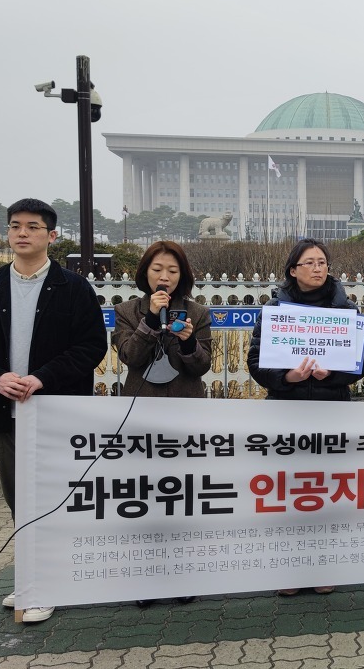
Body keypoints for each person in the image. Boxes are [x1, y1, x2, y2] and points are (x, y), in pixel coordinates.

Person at [0, 198, 107, 623]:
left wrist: (42, 378)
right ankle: (32, 578)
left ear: (51, 236)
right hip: (4, 413)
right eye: (15, 225)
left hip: (57, 412)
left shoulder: (73, 289)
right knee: (19, 499)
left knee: (56, 498)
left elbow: (91, 346)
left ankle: (50, 581)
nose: (23, 233)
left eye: (33, 226)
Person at [247, 238, 364, 596]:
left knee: (328, 491)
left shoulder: (346, 309)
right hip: (286, 412)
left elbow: (363, 360)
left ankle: (323, 566)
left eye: (322, 262)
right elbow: (255, 361)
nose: (318, 268)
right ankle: (288, 569)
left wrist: (331, 375)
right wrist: (287, 377)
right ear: (293, 270)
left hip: (332, 410)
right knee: (287, 491)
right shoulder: (275, 310)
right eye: (310, 262)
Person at [112, 240, 211, 607]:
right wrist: (151, 321)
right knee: (145, 495)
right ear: (145, 274)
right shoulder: (127, 311)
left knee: (183, 495)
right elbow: (130, 356)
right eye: (157, 270)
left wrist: (188, 343)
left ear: (182, 275)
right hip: (142, 413)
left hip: (185, 412)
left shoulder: (197, 312)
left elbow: (202, 366)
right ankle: (146, 575)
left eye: (172, 270)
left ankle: (182, 572)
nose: (164, 277)